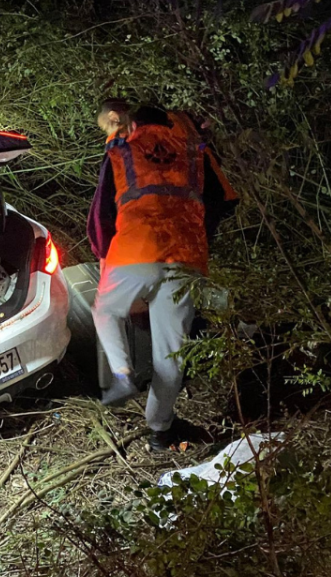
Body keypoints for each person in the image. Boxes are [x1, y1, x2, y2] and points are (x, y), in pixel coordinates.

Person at [86, 99, 237, 452]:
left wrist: (106, 258)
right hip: (187, 259)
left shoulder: (122, 151)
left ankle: (122, 376)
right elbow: (224, 201)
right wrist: (200, 236)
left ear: (126, 122)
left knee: (105, 311)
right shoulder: (193, 148)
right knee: (171, 355)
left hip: (135, 251)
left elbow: (99, 216)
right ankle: (160, 430)